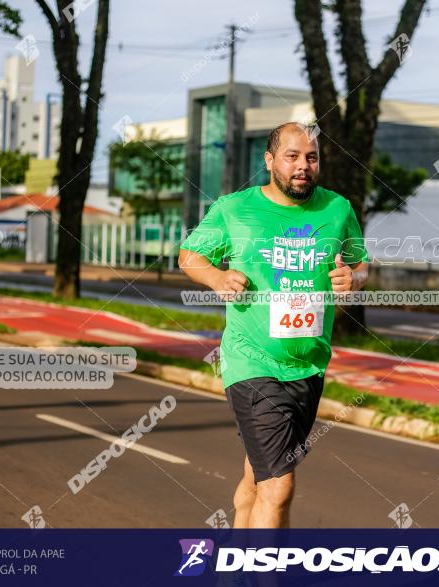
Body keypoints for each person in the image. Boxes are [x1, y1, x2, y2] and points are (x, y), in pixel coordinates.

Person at [179, 122, 369, 529]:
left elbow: (360, 263)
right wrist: (216, 278)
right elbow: (189, 256)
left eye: (311, 157)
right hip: (251, 362)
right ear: (269, 161)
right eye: (292, 156)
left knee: (258, 474)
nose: (303, 166)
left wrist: (354, 279)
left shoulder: (337, 209)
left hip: (309, 364)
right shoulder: (235, 208)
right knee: (280, 486)